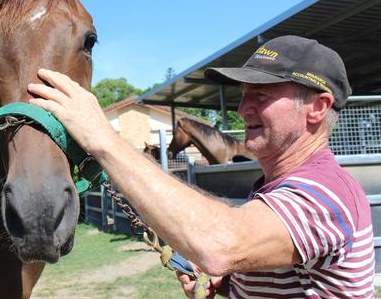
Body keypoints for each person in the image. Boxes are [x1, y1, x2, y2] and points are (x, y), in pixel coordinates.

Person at [27, 35, 375, 298]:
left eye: (262, 96)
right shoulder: (272, 189)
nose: (242, 110)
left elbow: (220, 243)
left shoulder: (326, 194)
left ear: (317, 107)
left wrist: (101, 137)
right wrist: (226, 285)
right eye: (243, 94)